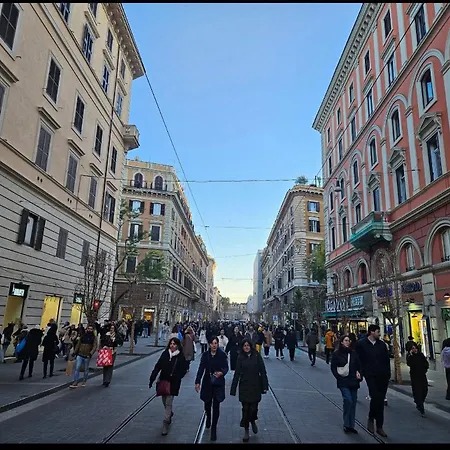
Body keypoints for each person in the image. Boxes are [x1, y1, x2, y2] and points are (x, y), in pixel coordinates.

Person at [230, 338, 269, 442]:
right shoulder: (240, 357)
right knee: (245, 409)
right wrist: (233, 389)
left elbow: (263, 371)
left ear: (250, 346)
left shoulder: (256, 356)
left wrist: (265, 385)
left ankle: (252, 420)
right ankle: (246, 430)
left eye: (248, 345)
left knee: (253, 409)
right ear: (242, 347)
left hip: (255, 385)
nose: (246, 347)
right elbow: (237, 373)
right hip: (244, 386)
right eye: (244, 346)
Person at [355, 324, 390, 437]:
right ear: (371, 332)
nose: (379, 334)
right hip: (370, 375)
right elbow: (358, 359)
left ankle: (379, 426)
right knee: (375, 396)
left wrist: (388, 374)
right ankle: (371, 418)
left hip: (382, 375)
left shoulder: (381, 345)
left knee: (380, 401)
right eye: (378, 331)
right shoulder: (361, 344)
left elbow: (386, 360)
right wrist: (359, 372)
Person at [149, 337, 188, 436]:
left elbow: (184, 369)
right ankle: (169, 413)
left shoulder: (180, 356)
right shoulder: (165, 354)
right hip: (163, 381)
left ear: (177, 345)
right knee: (164, 401)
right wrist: (152, 378)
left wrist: (178, 376)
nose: (172, 345)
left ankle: (166, 422)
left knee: (168, 402)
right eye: (171, 344)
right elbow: (158, 366)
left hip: (173, 383)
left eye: (174, 344)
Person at [195, 336, 228, 441]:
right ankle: (208, 416)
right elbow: (201, 369)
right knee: (207, 404)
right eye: (212, 343)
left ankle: (214, 428)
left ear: (218, 344)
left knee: (216, 406)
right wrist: (197, 381)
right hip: (207, 383)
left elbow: (226, 367)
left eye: (216, 343)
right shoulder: (205, 355)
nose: (214, 345)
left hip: (218, 384)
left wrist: (221, 373)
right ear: (209, 344)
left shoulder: (222, 355)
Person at [331, 335, 362, 433]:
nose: (348, 342)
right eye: (346, 340)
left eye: (349, 340)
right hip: (343, 381)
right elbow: (333, 367)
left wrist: (359, 373)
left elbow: (359, 365)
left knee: (353, 403)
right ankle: (346, 423)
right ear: (341, 342)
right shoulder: (337, 354)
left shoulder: (353, 353)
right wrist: (338, 377)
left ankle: (351, 425)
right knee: (348, 400)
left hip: (353, 381)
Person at [70, 324, 98, 388]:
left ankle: (84, 381)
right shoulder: (83, 336)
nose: (89, 330)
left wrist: (90, 353)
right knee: (77, 367)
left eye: (91, 329)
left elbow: (94, 346)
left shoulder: (93, 338)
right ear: (86, 329)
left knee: (86, 369)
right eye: (88, 329)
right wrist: (74, 352)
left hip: (87, 355)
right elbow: (78, 344)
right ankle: (75, 382)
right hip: (80, 354)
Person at [406, 342, 429, 417]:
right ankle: (420, 407)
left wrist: (424, 369)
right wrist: (411, 355)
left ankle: (420, 402)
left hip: (422, 375)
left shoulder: (420, 354)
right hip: (415, 376)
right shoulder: (410, 356)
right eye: (413, 348)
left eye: (415, 348)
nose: (415, 349)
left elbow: (426, 363)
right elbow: (409, 363)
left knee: (425, 390)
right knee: (417, 391)